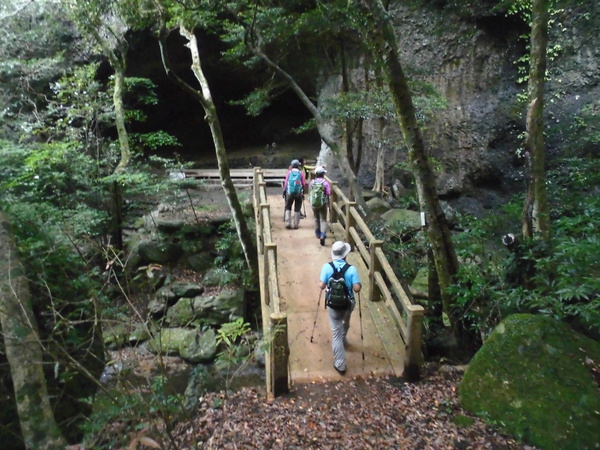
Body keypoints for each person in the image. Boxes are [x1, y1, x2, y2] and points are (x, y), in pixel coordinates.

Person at [319, 241, 362, 375]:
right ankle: (343, 338)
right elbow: (356, 288)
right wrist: (358, 285)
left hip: (333, 305)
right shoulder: (352, 269)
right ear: (345, 254)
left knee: (335, 332)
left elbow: (321, 286)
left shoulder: (326, 267)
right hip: (348, 304)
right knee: (346, 322)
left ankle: (340, 363)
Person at [309, 166, 331, 246]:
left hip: (314, 203)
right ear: (323, 174)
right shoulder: (325, 183)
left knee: (316, 218)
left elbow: (310, 191)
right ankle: (323, 234)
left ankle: (317, 233)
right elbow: (328, 193)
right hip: (323, 203)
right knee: (323, 219)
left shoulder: (312, 182)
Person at [283, 159, 306, 229]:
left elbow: (286, 183)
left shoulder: (289, 173)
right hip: (298, 193)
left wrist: (284, 191)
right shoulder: (301, 173)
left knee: (288, 207)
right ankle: (296, 224)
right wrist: (303, 191)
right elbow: (304, 184)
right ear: (298, 165)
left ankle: (288, 222)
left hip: (289, 192)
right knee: (297, 208)